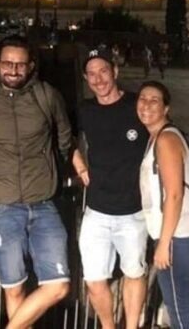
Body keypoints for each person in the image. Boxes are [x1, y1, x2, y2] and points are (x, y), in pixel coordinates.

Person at [0, 37, 74, 329]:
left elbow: (66, 138)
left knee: (58, 285)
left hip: (43, 203)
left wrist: (78, 162)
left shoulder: (47, 95)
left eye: (20, 64)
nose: (14, 70)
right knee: (14, 288)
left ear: (31, 67)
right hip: (2, 206)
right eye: (8, 63)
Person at [71, 48, 149, 329]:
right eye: (91, 74)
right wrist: (80, 167)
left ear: (115, 71)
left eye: (103, 71)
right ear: (85, 78)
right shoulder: (85, 110)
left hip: (134, 213)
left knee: (134, 274)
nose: (98, 79)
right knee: (93, 281)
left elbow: (163, 136)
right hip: (97, 211)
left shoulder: (137, 106)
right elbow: (64, 139)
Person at [137, 81, 189, 329]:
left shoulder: (166, 139)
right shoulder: (159, 137)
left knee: (179, 312)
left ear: (166, 108)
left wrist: (163, 243)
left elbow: (175, 195)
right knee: (186, 303)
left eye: (154, 100)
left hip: (180, 238)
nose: (146, 104)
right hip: (188, 234)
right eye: (143, 98)